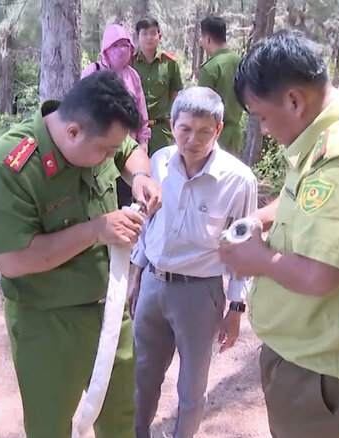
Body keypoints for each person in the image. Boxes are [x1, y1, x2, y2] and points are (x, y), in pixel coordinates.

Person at [219, 30, 339, 438]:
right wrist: (261, 219)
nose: (263, 129)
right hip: (310, 356)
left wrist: (258, 261)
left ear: (293, 100)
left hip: (323, 372)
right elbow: (302, 198)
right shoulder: (328, 128)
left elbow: (321, 276)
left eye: (262, 116)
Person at [0, 71, 162, 438]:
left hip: (110, 309)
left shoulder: (100, 130)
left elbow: (129, 151)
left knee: (120, 419)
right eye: (105, 151)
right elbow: (12, 260)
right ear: (73, 132)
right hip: (48, 323)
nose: (110, 156)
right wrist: (95, 230)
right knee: (50, 425)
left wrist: (141, 176)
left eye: (112, 150)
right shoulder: (9, 168)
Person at [128, 87, 257, 438]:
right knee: (140, 378)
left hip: (199, 294)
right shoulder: (158, 162)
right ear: (172, 126)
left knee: (191, 388)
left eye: (204, 132)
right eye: (185, 129)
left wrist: (236, 307)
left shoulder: (238, 179)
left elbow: (243, 246)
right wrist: (137, 273)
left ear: (218, 130)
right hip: (153, 283)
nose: (193, 140)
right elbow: (150, 223)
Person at [83, 23, 152, 207]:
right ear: (106, 48)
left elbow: (140, 110)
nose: (121, 50)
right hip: (99, 150)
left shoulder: (133, 75)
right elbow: (81, 107)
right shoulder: (93, 71)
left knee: (126, 199)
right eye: (116, 45)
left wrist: (143, 140)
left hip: (127, 151)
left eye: (125, 45)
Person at [131, 17, 184, 156]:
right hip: (135, 129)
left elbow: (174, 94)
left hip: (161, 130)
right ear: (137, 37)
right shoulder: (130, 63)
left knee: (162, 166)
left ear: (159, 36)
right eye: (144, 33)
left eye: (153, 33)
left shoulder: (169, 63)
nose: (149, 37)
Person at [198, 15, 243, 157]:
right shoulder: (240, 62)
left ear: (208, 39)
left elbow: (202, 108)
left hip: (215, 135)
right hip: (236, 134)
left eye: (202, 38)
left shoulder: (210, 68)